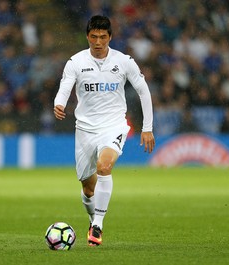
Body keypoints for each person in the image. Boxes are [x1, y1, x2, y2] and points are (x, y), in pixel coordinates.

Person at [54, 15, 155, 246]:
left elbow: (143, 91)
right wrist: (59, 103)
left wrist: (147, 128)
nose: (98, 42)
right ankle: (93, 218)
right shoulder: (76, 62)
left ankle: (98, 225)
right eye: (93, 37)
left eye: (102, 37)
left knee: (104, 166)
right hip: (85, 130)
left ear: (110, 37)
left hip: (114, 126)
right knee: (88, 188)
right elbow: (65, 87)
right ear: (87, 37)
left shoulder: (124, 61)